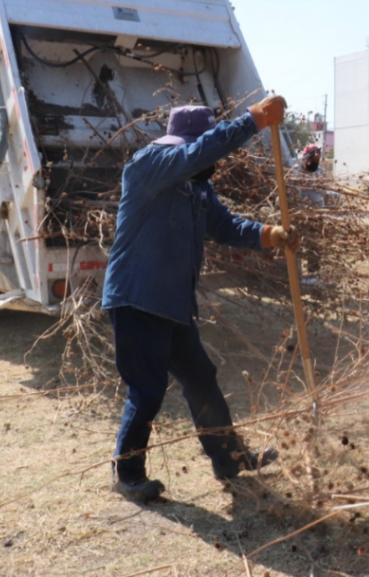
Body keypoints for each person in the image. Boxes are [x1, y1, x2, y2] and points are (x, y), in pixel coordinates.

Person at [101, 96, 298, 502]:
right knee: (148, 389)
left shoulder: (196, 189)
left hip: (172, 305)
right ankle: (129, 474)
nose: (212, 162)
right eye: (201, 148)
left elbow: (224, 226)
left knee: (200, 378)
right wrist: (253, 120)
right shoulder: (148, 166)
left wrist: (267, 235)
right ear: (184, 146)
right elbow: (206, 150)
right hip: (137, 299)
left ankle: (229, 459)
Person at [292, 144, 328, 284]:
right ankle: (297, 275)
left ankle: (313, 275)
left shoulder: (321, 173)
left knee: (314, 245)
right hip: (299, 214)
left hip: (316, 215)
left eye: (318, 160)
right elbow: (292, 192)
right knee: (297, 244)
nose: (316, 163)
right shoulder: (295, 172)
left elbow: (324, 192)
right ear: (306, 158)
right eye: (314, 160)